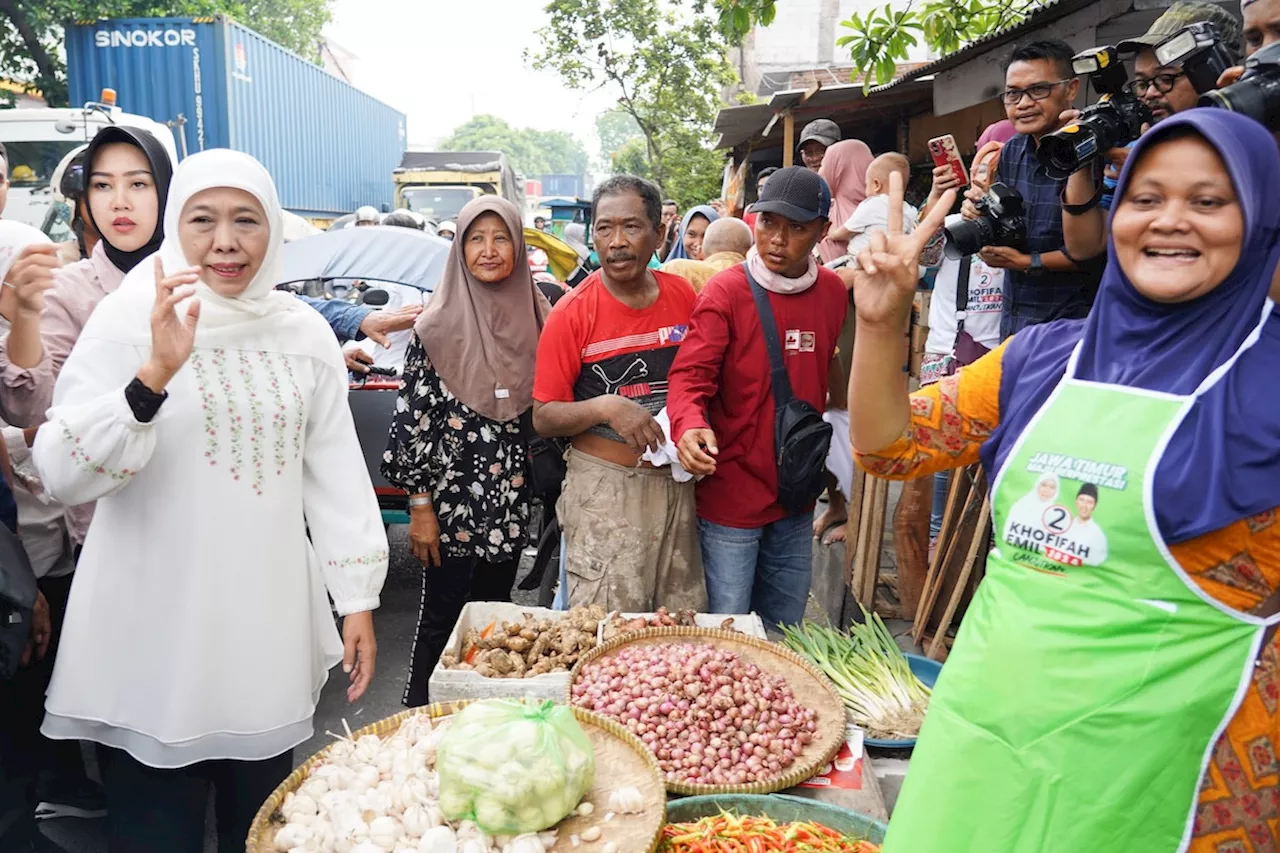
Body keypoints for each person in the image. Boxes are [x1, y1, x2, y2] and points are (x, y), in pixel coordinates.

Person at [850, 109, 1280, 851]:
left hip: (1165, 780)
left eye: (1208, 201)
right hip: (984, 742)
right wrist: (881, 323)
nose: (1169, 221)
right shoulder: (1041, 358)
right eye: (1145, 198)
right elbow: (889, 446)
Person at [32, 149, 387, 851]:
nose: (225, 241)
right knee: (153, 828)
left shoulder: (302, 333)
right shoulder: (129, 318)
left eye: (246, 221)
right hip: (149, 635)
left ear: (273, 231)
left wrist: (358, 597)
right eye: (203, 219)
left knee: (259, 825)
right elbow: (62, 468)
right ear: (176, 226)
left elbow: (336, 473)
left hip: (260, 631)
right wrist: (153, 374)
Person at [382, 196, 548, 705]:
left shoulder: (543, 319)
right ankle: (418, 720)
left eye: (501, 238)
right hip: (451, 504)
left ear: (519, 246)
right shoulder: (433, 328)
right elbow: (412, 423)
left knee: (497, 617)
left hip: (511, 497)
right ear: (459, 248)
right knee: (441, 616)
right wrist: (420, 507)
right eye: (476, 238)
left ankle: (482, 720)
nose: (489, 250)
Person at [669, 166, 848, 627]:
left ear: (823, 232)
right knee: (727, 631)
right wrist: (689, 425)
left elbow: (835, 384)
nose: (776, 239)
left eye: (797, 228)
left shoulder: (830, 291)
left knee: (783, 628)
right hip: (731, 496)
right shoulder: (725, 292)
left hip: (796, 496)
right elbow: (689, 379)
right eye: (768, 222)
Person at [533, 176, 705, 612]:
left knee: (676, 623)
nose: (616, 242)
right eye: (604, 229)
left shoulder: (684, 296)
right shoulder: (571, 313)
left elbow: (701, 378)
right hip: (603, 490)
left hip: (675, 485)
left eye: (630, 227)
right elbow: (543, 416)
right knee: (605, 626)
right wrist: (606, 407)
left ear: (660, 233)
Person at [0, 223, 76, 853]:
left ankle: (47, 787)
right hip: (21, 534)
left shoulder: (27, 256)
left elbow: (31, 407)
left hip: (36, 533)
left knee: (33, 666)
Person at [1063, 2, 1243, 261]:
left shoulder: (1257, 140)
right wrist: (1080, 154)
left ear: (1214, 69)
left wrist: (1152, 174)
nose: (1149, 93)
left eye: (1166, 78)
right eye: (1142, 82)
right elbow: (1086, 247)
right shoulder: (1135, 149)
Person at [964, 40, 1100, 339]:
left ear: (1071, 88)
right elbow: (1012, 228)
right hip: (1014, 324)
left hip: (1073, 329)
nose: (1023, 104)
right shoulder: (1013, 151)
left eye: (1038, 90)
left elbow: (1099, 249)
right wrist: (980, 215)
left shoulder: (1097, 151)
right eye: (1013, 93)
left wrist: (1026, 263)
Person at [817, 139, 876, 264]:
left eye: (824, 165)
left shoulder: (822, 212)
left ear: (838, 170)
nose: (820, 172)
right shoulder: (889, 209)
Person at [661, 217, 753, 293]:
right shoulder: (758, 279)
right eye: (691, 234)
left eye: (703, 236)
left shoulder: (677, 269)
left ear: (701, 251)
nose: (698, 243)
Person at [743, 167, 779, 231]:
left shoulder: (785, 216)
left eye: (768, 188)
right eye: (761, 189)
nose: (763, 193)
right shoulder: (751, 211)